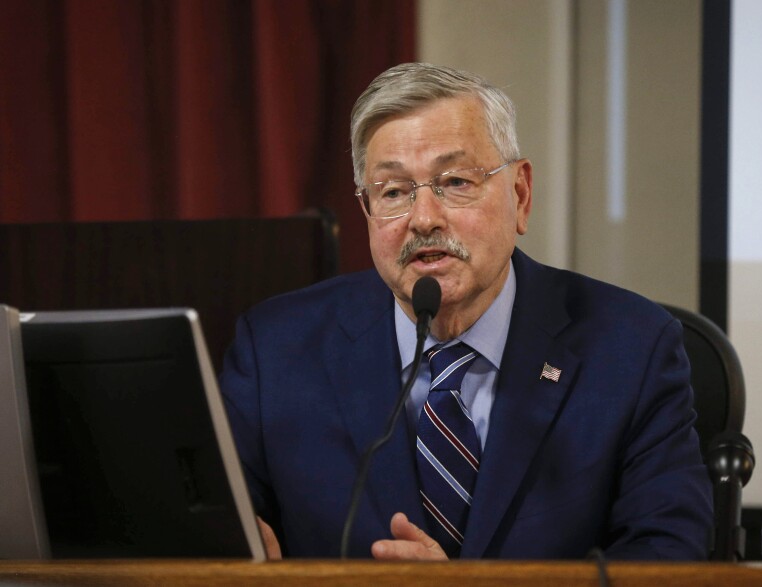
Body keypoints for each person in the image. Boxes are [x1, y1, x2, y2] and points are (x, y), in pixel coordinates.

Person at [220, 62, 712, 561]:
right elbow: (218, 531)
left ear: (520, 195)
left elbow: (668, 559)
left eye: (455, 181)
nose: (424, 218)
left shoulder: (631, 349)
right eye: (393, 192)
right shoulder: (276, 351)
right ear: (367, 212)